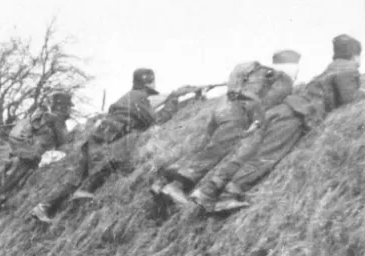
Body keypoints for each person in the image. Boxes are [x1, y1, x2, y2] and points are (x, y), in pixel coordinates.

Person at [205, 35, 362, 211]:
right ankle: (229, 195)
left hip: (281, 109)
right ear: (355, 55)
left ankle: (210, 190)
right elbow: (350, 98)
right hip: (294, 116)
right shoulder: (348, 70)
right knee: (267, 155)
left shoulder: (329, 69)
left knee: (247, 152)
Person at [29, 68, 187, 223]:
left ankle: (43, 206)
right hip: (106, 140)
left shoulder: (129, 96)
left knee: (74, 178)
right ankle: (84, 191)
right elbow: (156, 122)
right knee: (117, 159)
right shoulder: (140, 97)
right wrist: (173, 99)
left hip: (95, 139)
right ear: (148, 82)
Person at [152, 61, 287, 208]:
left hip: (222, 107)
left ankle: (163, 180)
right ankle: (176, 186)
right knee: (215, 151)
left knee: (204, 147)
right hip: (236, 115)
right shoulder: (276, 77)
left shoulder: (251, 69)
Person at [185, 51, 298, 210]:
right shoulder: (284, 80)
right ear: (293, 67)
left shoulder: (261, 77)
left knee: (241, 155)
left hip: (239, 119)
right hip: (257, 121)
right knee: (256, 156)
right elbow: (265, 103)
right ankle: (225, 197)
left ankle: (208, 191)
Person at [0, 92, 72, 227]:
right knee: (12, 180)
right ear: (61, 107)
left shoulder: (38, 116)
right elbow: (65, 145)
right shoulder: (56, 121)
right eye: (68, 107)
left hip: (20, 155)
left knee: (7, 178)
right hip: (32, 159)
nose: (70, 110)